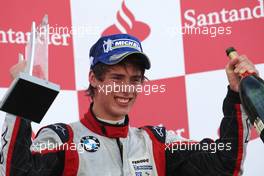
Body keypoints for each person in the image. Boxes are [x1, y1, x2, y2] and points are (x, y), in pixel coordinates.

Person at [0, 34, 257, 176]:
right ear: (94, 79)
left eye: (135, 79)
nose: (127, 88)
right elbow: (15, 172)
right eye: (117, 78)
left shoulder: (157, 141)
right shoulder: (62, 138)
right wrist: (24, 96)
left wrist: (236, 94)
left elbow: (225, 165)